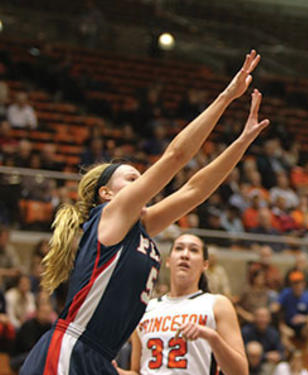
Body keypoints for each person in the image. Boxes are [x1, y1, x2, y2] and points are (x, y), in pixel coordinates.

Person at [21, 50, 268, 375]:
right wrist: (225, 97)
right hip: (72, 349)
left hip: (98, 357)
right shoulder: (111, 214)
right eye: (132, 179)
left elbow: (195, 190)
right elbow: (176, 156)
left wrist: (242, 141)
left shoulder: (140, 226)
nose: (142, 184)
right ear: (106, 193)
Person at [115, 233, 247, 375]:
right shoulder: (145, 309)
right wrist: (115, 371)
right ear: (168, 261)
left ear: (205, 265)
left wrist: (212, 337)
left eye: (194, 250)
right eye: (179, 248)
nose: (185, 255)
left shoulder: (217, 304)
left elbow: (240, 372)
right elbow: (137, 371)